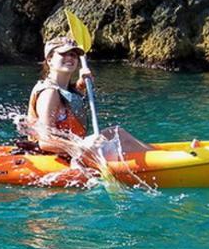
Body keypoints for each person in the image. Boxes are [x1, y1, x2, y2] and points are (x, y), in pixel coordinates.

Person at [24, 36, 152, 160]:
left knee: (115, 133)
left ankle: (156, 154)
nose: (70, 57)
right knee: (118, 135)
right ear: (50, 59)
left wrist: (81, 84)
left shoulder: (63, 89)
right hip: (52, 157)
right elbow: (46, 141)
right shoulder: (49, 93)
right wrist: (83, 146)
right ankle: (158, 158)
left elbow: (68, 100)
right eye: (63, 54)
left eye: (73, 54)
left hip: (71, 152)